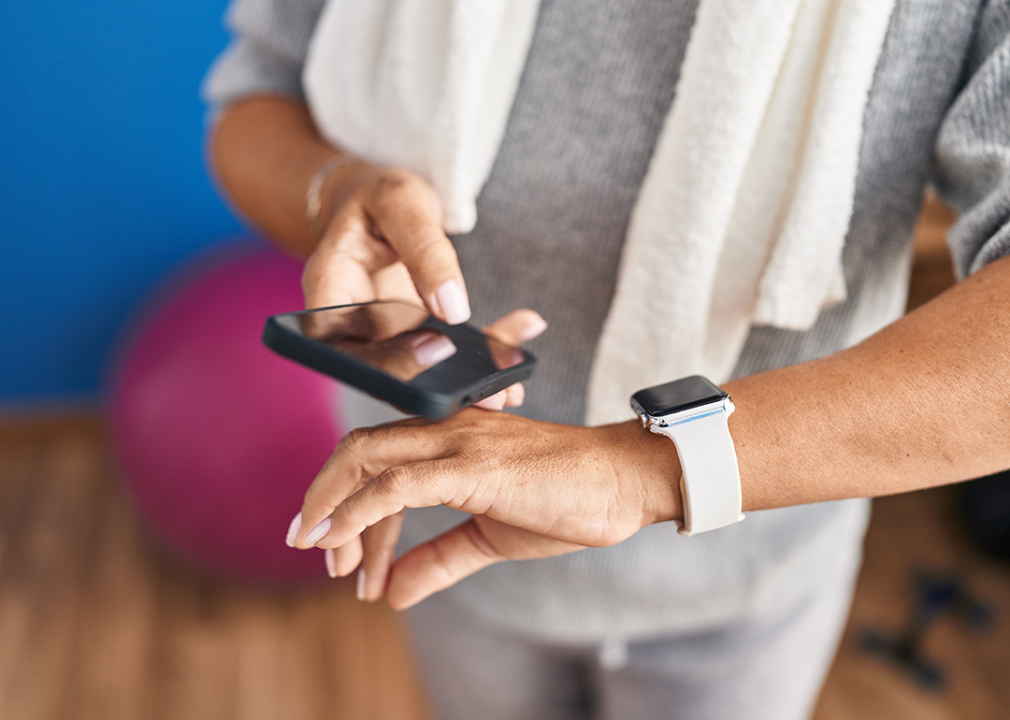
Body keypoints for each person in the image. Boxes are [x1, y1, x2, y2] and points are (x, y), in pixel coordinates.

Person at [204, 1, 1010, 718]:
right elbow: (254, 95)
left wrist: (638, 468)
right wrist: (335, 188)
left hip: (746, 572)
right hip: (443, 529)